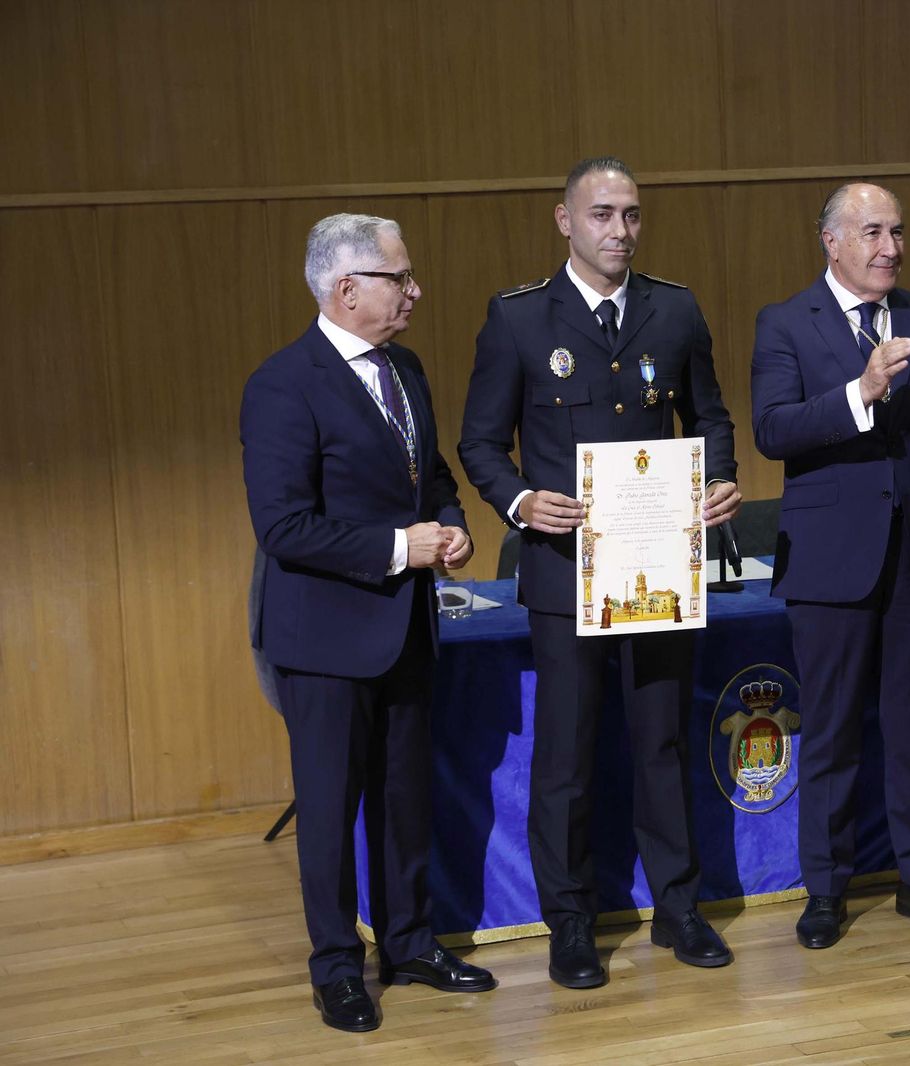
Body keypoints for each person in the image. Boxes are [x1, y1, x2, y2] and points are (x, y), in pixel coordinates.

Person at [457, 157, 741, 988]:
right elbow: (479, 442)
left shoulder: (674, 308)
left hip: (659, 570)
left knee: (661, 743)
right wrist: (517, 504)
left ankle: (679, 910)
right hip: (563, 572)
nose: (620, 231)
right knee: (568, 757)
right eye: (603, 215)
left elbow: (712, 416)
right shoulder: (516, 321)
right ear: (565, 222)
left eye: (632, 216)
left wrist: (719, 478)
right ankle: (570, 924)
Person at [241, 213, 495, 1033]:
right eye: (401, 277)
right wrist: (400, 546)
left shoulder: (406, 368)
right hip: (324, 642)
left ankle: (411, 943)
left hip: (407, 629)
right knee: (327, 808)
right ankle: (336, 968)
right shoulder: (283, 383)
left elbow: (434, 479)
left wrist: (450, 526)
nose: (415, 290)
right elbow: (282, 527)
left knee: (403, 796)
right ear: (347, 289)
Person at [749, 182, 910, 949]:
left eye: (897, 232)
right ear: (832, 240)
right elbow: (773, 430)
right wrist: (863, 390)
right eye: (873, 233)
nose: (891, 248)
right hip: (829, 561)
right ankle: (825, 890)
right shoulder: (785, 322)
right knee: (830, 732)